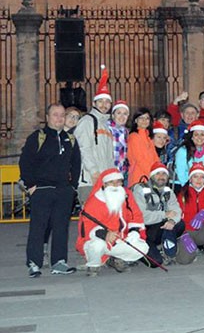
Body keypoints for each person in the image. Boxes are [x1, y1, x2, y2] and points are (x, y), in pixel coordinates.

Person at [20, 103, 81, 277]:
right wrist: (31, 185)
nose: (59, 118)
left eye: (62, 115)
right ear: (47, 117)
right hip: (42, 189)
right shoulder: (37, 137)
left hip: (63, 191)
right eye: (55, 115)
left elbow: (76, 164)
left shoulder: (70, 139)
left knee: (61, 227)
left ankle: (59, 262)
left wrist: (73, 187)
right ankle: (34, 263)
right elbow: (25, 162)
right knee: (38, 228)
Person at [76, 168, 149, 277]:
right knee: (97, 245)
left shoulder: (127, 195)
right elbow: (86, 226)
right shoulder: (95, 201)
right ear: (104, 184)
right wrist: (105, 234)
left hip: (120, 239)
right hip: (99, 239)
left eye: (118, 182)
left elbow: (136, 216)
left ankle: (113, 258)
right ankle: (94, 264)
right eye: (111, 182)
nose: (115, 185)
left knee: (143, 247)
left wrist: (134, 232)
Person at [75, 65, 115, 203]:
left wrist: (111, 176)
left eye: (107, 102)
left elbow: (109, 156)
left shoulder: (106, 126)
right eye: (101, 101)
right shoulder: (87, 121)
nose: (104, 105)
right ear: (94, 103)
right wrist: (93, 172)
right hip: (90, 180)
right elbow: (83, 148)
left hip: (104, 180)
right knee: (90, 218)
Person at [132, 162, 184, 266]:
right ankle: (137, 252)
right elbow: (141, 217)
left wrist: (172, 221)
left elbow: (177, 211)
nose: (161, 177)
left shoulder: (168, 191)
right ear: (151, 175)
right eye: (158, 174)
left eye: (164, 174)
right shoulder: (140, 190)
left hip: (161, 227)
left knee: (179, 224)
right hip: (144, 230)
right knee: (156, 263)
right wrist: (164, 215)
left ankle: (168, 252)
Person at [176, 163, 204, 264]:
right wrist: (183, 234)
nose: (198, 180)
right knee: (184, 260)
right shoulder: (183, 193)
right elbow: (178, 215)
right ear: (190, 178)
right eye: (195, 176)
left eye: (201, 177)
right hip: (188, 232)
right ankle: (192, 251)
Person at [173, 121, 204, 191]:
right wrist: (190, 189)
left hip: (201, 185)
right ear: (191, 137)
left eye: (202, 135)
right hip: (183, 185)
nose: (199, 137)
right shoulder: (182, 151)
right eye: (196, 134)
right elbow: (181, 174)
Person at [126, 109, 159, 186]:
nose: (144, 120)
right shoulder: (134, 136)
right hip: (139, 177)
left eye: (147, 118)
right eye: (141, 118)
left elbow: (155, 157)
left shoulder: (148, 136)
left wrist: (159, 170)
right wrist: (153, 175)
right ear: (136, 120)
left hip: (151, 177)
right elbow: (140, 159)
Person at [108, 100, 130, 180]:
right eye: (119, 113)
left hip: (122, 174)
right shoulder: (107, 129)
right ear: (113, 115)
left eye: (125, 114)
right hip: (108, 173)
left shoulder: (127, 132)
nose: (122, 116)